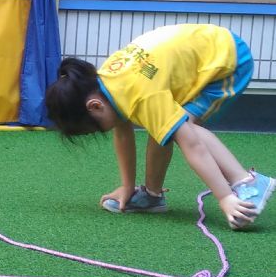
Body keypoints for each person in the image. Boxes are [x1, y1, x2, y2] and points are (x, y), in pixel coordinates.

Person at [45, 24, 273, 229]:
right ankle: (152, 197)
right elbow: (122, 135)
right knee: (164, 125)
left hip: (227, 60)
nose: (101, 132)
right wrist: (127, 186)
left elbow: (192, 145)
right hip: (200, 55)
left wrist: (224, 198)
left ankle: (247, 181)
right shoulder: (107, 82)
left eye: (95, 129)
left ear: (95, 106)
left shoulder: (144, 95)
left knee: (183, 128)